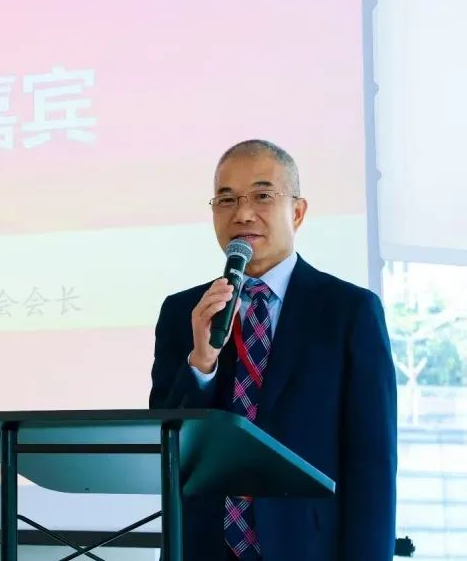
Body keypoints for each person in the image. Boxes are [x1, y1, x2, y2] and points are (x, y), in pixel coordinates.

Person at [149, 140, 397, 560]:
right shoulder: (185, 312)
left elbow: (372, 463)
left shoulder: (349, 311)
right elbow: (167, 448)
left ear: (297, 212)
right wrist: (201, 363)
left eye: (262, 196)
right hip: (202, 548)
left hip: (309, 548)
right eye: (227, 199)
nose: (243, 214)